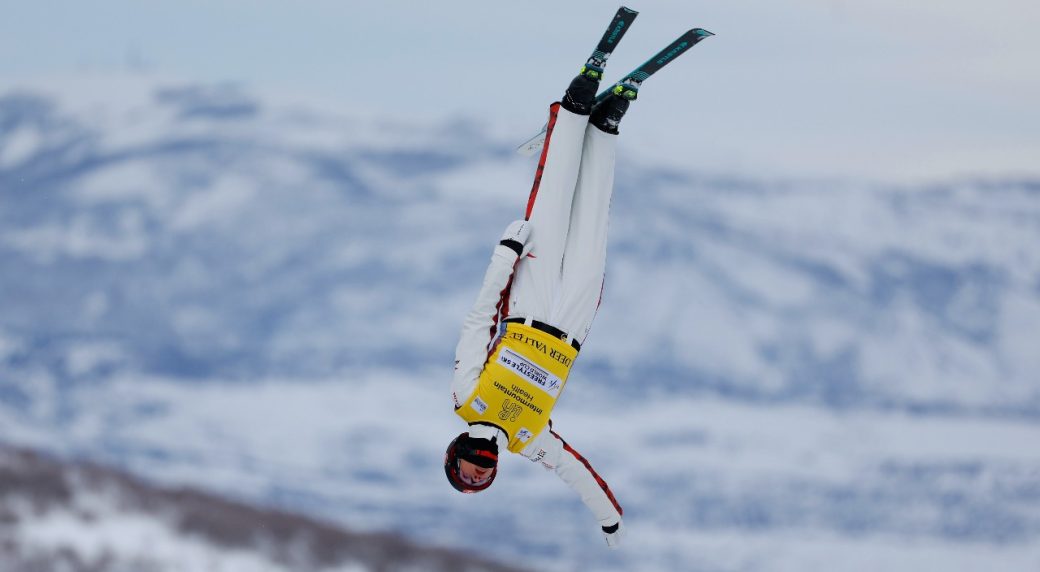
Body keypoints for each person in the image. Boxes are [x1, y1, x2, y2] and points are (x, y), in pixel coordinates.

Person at [445, 65, 636, 549]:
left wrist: (504, 255)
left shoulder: (466, 399)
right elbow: (576, 473)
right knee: (592, 215)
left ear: (455, 454)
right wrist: (608, 518)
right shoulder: (531, 441)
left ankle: (574, 111)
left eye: (468, 469)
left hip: (529, 303)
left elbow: (478, 318)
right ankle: (607, 126)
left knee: (552, 205)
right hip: (572, 321)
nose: (478, 467)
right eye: (481, 475)